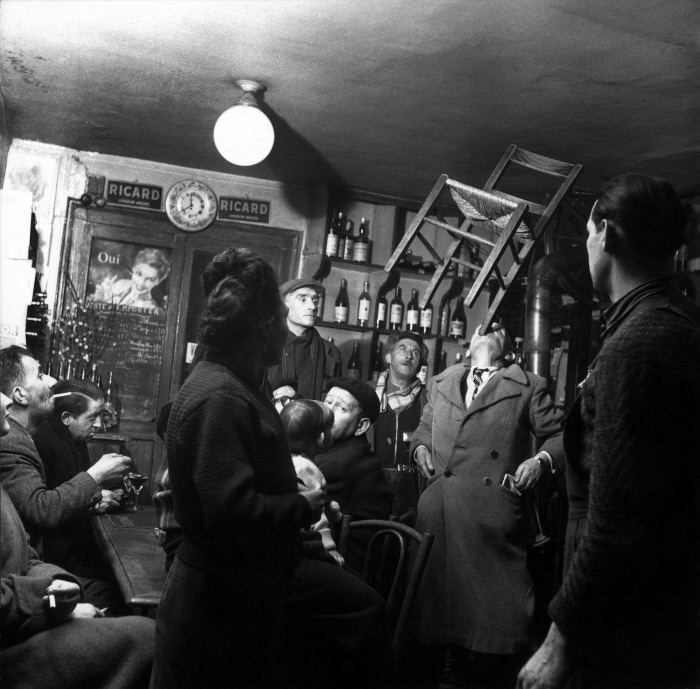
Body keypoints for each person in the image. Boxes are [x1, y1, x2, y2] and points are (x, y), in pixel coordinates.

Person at [518, 174, 700, 689]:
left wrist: (559, 642)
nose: (588, 247)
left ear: (609, 234)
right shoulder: (675, 320)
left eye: (590, 234)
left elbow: (619, 521)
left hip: (626, 607)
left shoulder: (639, 344)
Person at [150, 248, 325, 689]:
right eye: (283, 319)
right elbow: (232, 515)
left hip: (233, 599)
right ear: (265, 327)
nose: (288, 334)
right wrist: (304, 505)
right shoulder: (222, 396)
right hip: (217, 607)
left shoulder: (233, 383)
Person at [410, 324, 564, 689]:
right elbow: (422, 428)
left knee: (495, 612)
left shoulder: (528, 385)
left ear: (508, 351)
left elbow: (559, 435)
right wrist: (418, 449)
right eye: (483, 327)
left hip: (491, 511)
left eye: (498, 330)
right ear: (468, 347)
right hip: (440, 509)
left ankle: (486, 668)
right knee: (436, 610)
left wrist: (540, 460)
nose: (489, 328)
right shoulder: (441, 382)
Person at [0, 391, 155, 689]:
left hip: (28, 612)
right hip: (12, 642)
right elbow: (42, 510)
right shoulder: (14, 445)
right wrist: (52, 603)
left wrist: (59, 585)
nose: (7, 399)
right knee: (150, 636)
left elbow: (25, 553)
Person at [0, 347, 131, 558]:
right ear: (20, 395)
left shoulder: (24, 435)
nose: (52, 382)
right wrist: (95, 476)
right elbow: (42, 511)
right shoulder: (11, 441)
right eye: (41, 375)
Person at [31, 377, 128, 613]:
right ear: (66, 418)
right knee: (119, 590)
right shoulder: (45, 442)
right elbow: (50, 509)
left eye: (100, 416)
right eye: (92, 417)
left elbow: (73, 490)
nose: (99, 425)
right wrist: (94, 499)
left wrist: (99, 496)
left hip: (74, 549)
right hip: (55, 558)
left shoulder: (75, 439)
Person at [315, 377, 392, 573]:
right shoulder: (351, 451)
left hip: (345, 567)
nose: (328, 412)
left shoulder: (338, 462)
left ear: (361, 426)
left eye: (341, 408)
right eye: (328, 402)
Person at [370, 331, 428, 517]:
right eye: (403, 349)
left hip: (412, 488)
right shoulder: (367, 393)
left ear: (420, 365)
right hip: (372, 482)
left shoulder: (428, 400)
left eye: (416, 352)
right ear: (388, 356)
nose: (409, 355)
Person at [280, 398, 343, 566]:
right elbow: (315, 509)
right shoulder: (305, 468)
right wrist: (329, 548)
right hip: (309, 548)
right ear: (322, 437)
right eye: (330, 429)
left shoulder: (286, 461)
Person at [266, 277, 342, 401]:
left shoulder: (332, 354)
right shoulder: (265, 348)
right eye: (302, 299)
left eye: (315, 301)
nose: (312, 306)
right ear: (284, 305)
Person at [91, 247, 171, 314]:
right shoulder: (120, 284)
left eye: (150, 279)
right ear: (133, 268)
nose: (141, 282)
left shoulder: (149, 308)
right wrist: (99, 300)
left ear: (158, 282)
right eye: (138, 273)